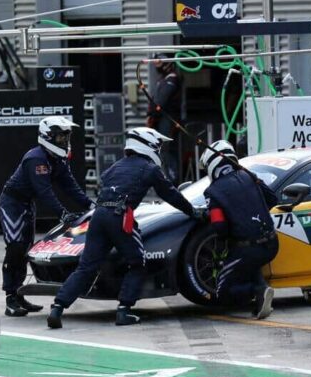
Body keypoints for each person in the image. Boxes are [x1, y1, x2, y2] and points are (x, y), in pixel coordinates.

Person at [47, 127, 205, 329]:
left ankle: (57, 308)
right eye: (158, 146)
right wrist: (193, 211)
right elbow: (171, 195)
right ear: (148, 145)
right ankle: (124, 311)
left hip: (98, 216)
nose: (159, 150)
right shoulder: (150, 169)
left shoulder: (115, 166)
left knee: (86, 267)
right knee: (138, 263)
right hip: (119, 217)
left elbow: (107, 182)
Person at [0, 116, 92, 317]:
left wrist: (91, 205)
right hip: (12, 203)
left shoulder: (58, 158)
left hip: (28, 204)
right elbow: (44, 191)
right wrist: (62, 214)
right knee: (15, 247)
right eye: (60, 137)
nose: (64, 141)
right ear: (47, 137)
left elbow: (70, 185)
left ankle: (18, 295)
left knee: (25, 250)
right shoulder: (36, 158)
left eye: (66, 136)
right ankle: (10, 298)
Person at [200, 140, 279, 319]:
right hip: (272, 243)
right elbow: (272, 199)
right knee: (249, 265)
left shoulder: (213, 191)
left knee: (221, 291)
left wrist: (210, 216)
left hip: (248, 249)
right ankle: (261, 298)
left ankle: (257, 290)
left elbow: (219, 227)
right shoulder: (249, 176)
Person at [146, 53, 182, 182]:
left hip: (168, 120)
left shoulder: (172, 79)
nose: (157, 66)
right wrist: (151, 115)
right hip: (160, 120)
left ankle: (172, 180)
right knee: (161, 151)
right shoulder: (163, 79)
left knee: (167, 150)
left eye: (159, 63)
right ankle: (165, 178)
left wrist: (152, 115)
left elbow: (161, 101)